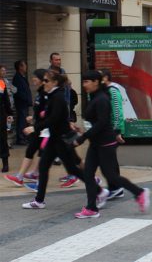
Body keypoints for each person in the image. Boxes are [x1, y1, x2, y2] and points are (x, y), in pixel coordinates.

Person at [72, 70, 149, 218]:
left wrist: (82, 138)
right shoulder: (94, 96)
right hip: (95, 142)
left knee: (112, 176)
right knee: (88, 174)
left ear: (96, 82)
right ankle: (92, 208)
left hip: (105, 143)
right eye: (83, 82)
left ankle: (139, 192)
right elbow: (94, 121)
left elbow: (102, 123)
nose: (84, 85)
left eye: (87, 81)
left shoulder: (102, 99)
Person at [20, 70, 100, 210]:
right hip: (54, 138)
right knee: (44, 167)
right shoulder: (51, 94)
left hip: (61, 139)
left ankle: (99, 191)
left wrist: (34, 127)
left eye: (46, 81)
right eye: (43, 80)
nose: (43, 83)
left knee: (73, 169)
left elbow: (54, 118)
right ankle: (39, 201)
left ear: (55, 82)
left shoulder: (58, 96)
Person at [4, 69, 48, 185]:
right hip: (41, 129)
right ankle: (21, 177)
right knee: (31, 150)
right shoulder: (40, 93)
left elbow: (50, 114)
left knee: (65, 156)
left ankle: (84, 176)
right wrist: (33, 119)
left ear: (43, 80)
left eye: (35, 77)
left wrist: (34, 126)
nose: (33, 79)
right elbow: (42, 112)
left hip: (49, 131)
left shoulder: (47, 94)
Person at [101, 70, 126, 200]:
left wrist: (117, 131)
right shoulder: (105, 91)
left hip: (112, 131)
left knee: (109, 161)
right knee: (109, 160)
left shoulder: (112, 91)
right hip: (107, 131)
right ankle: (116, 187)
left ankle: (116, 188)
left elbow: (117, 112)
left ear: (105, 78)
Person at [12, 60, 31, 145]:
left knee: (24, 121)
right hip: (21, 104)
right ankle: (20, 139)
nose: (26, 67)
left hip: (24, 103)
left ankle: (24, 137)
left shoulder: (22, 77)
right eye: (24, 65)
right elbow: (17, 92)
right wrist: (26, 99)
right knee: (21, 121)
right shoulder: (17, 78)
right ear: (20, 67)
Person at [0, 68, 13, 172]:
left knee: (3, 139)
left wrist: (9, 113)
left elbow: (5, 99)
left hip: (1, 114)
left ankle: (5, 163)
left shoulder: (1, 83)